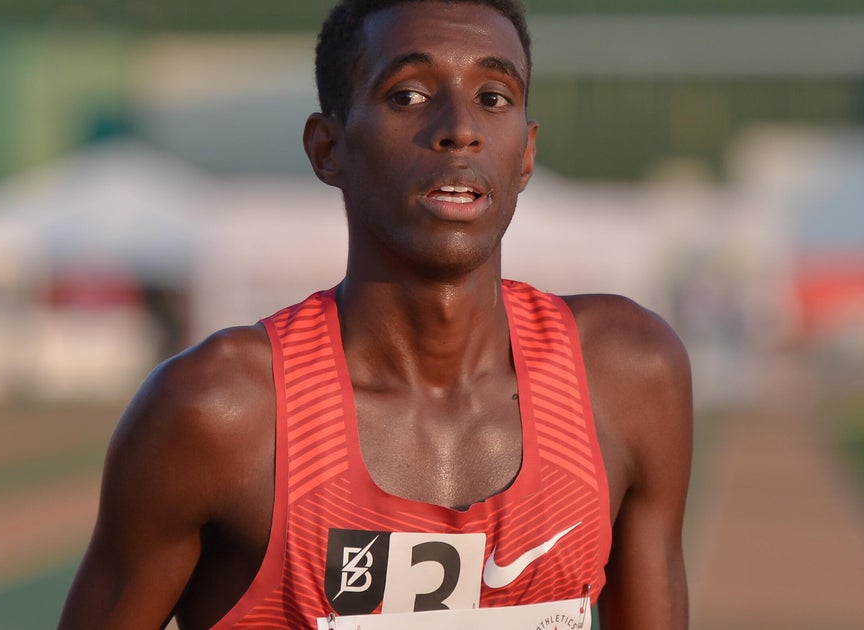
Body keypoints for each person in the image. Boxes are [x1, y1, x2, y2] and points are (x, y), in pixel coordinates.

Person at [58, 1, 692, 628]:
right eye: (409, 94)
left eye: (493, 97)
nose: (460, 128)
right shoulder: (219, 411)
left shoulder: (627, 375)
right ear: (327, 147)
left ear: (526, 155)